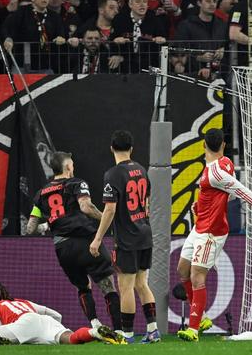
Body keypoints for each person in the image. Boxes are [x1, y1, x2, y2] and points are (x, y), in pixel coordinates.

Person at [176, 129, 252, 342]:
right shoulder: (225, 163)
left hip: (211, 231)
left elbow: (243, 192)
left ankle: (193, 329)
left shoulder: (217, 172)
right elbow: (226, 196)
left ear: (203, 145)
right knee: (182, 269)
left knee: (197, 276)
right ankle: (202, 318)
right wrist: (202, 205)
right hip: (199, 226)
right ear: (224, 145)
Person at [26, 151, 122, 334]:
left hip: (63, 249)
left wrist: (47, 225)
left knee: (83, 287)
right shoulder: (76, 183)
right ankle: (119, 331)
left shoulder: (40, 194)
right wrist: (106, 219)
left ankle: (95, 325)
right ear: (68, 166)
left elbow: (30, 228)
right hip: (85, 241)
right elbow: (86, 207)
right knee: (108, 285)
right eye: (72, 163)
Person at [89, 130, 159, 344]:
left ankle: (126, 333)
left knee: (126, 286)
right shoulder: (141, 170)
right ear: (132, 149)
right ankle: (153, 330)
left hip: (128, 238)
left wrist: (97, 239)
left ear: (111, 148)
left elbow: (110, 210)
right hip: (145, 232)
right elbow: (147, 202)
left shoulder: (112, 175)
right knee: (142, 283)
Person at [0, 283, 122, 345]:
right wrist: (54, 328)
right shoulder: (23, 302)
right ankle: (95, 332)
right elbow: (56, 315)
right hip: (44, 320)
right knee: (71, 338)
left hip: (22, 323)